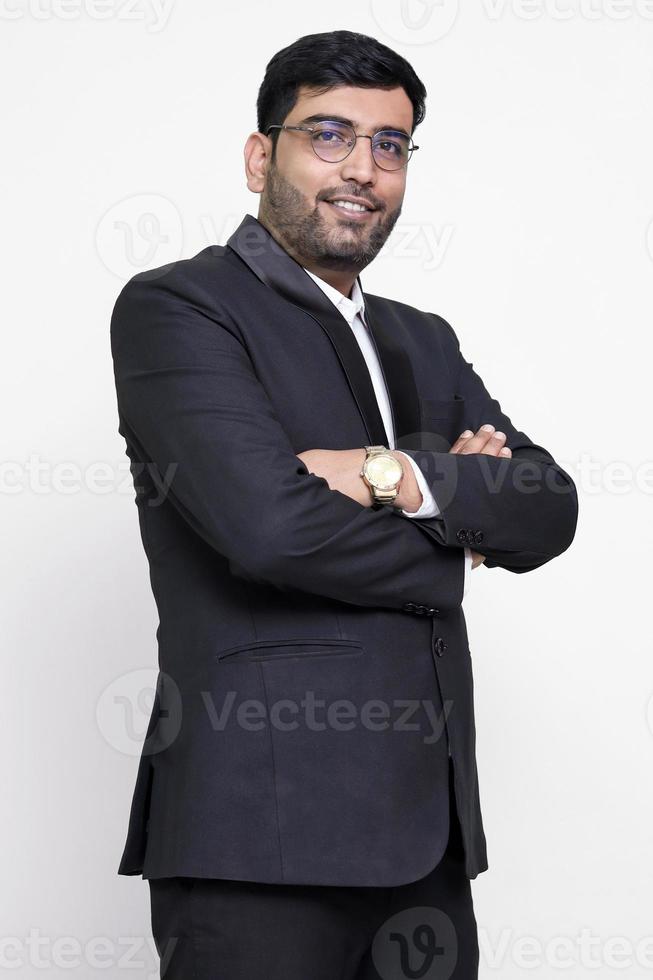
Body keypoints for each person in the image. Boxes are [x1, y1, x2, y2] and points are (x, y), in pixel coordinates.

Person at [110, 29, 578, 980]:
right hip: (259, 840)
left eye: (389, 144)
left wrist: (392, 475)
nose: (361, 168)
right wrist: (453, 540)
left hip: (427, 846)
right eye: (328, 134)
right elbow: (268, 528)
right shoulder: (181, 307)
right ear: (260, 156)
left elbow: (547, 506)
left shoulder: (422, 339)